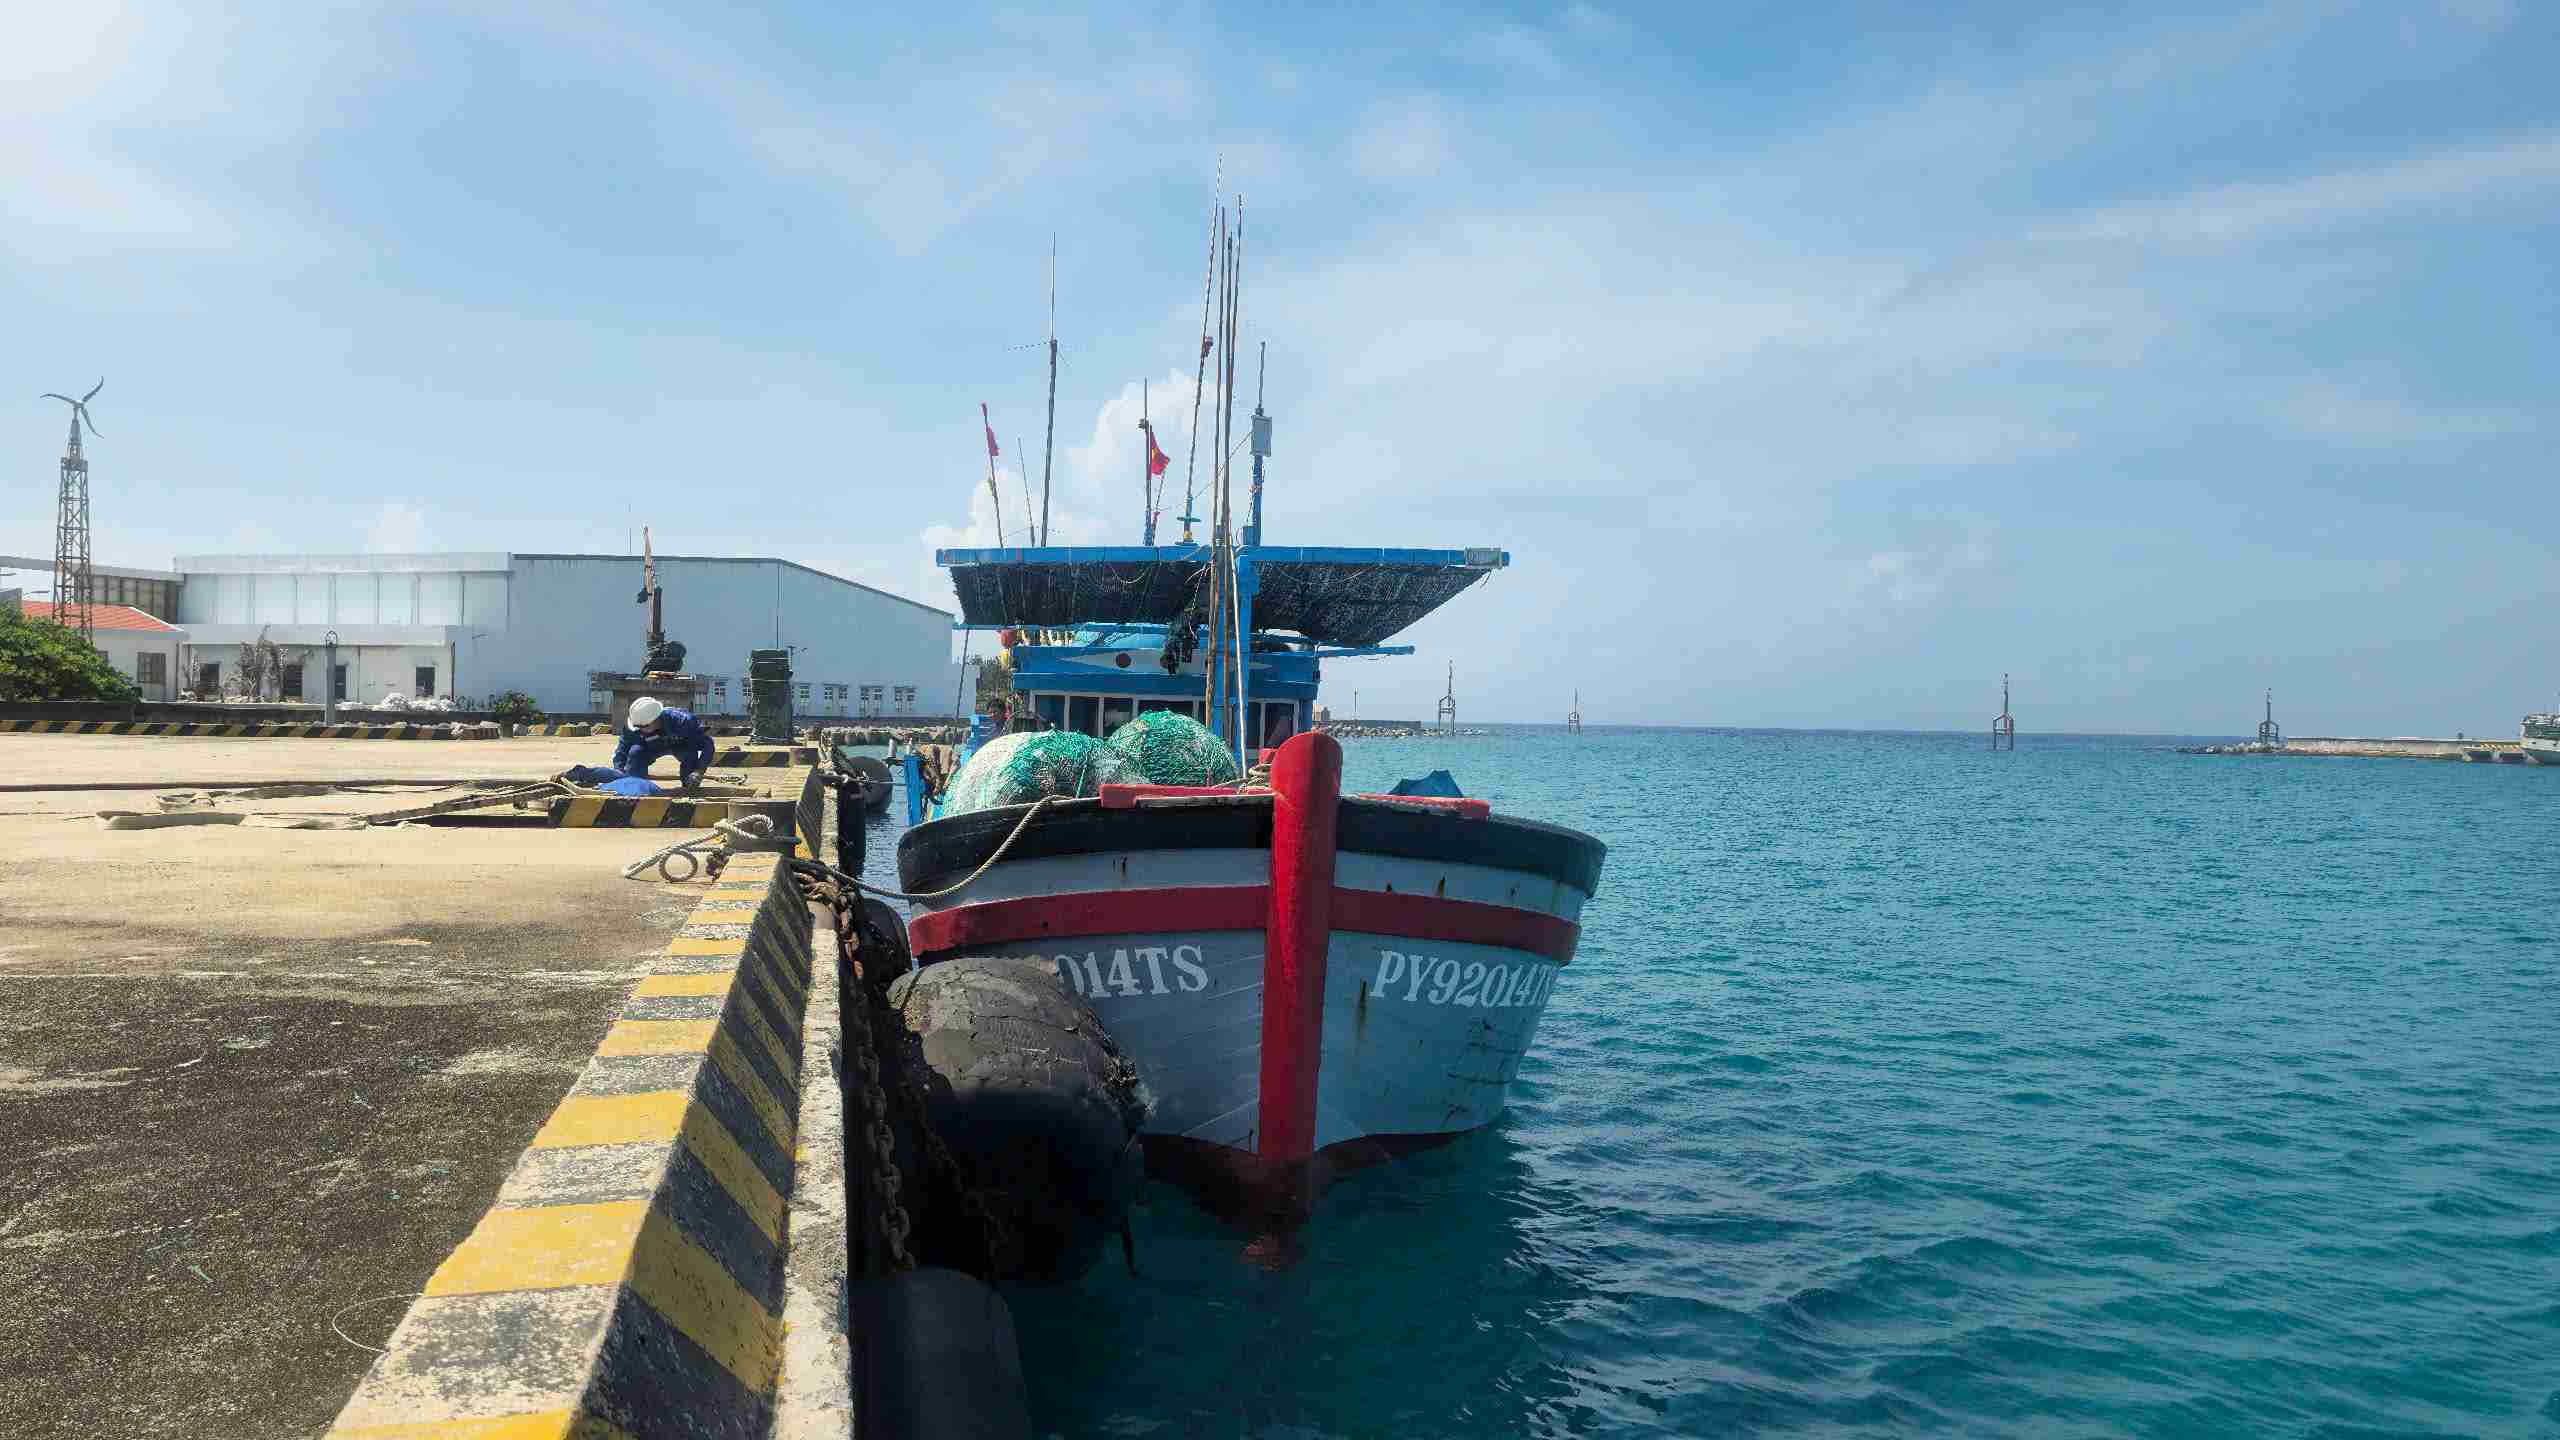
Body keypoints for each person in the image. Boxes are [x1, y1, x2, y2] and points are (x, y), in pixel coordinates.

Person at [613, 696, 714, 788]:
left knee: (690, 756)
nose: (639, 729)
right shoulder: (635, 725)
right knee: (635, 752)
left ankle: (689, 786)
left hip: (681, 746)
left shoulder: (684, 721)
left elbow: (707, 744)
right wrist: (618, 770)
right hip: (651, 746)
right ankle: (635, 785)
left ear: (656, 719)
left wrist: (699, 770)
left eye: (642, 726)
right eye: (637, 727)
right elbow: (622, 748)